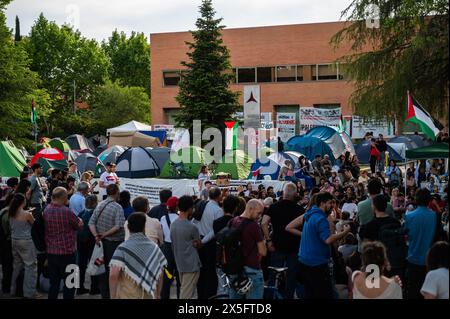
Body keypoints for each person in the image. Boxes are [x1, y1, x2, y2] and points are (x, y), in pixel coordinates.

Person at [298, 192, 351, 299]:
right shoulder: (320, 218)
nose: (332, 206)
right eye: (330, 203)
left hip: (305, 261)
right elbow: (328, 240)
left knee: (312, 294)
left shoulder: (310, 214)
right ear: (322, 203)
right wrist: (345, 232)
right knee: (326, 294)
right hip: (316, 263)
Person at [109, 213, 167, 299]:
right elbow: (160, 273)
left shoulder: (123, 248)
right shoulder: (154, 248)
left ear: (128, 227)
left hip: (127, 295)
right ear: (144, 227)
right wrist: (158, 294)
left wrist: (113, 296)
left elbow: (113, 274)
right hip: (148, 294)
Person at [262, 182, 304, 299]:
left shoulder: (274, 207)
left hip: (276, 245)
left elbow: (264, 223)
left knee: (273, 274)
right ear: (295, 194)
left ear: (283, 193)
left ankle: (270, 297)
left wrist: (269, 240)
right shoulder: (299, 209)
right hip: (294, 247)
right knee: (291, 276)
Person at [43, 187, 83, 299]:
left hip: (51, 252)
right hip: (68, 252)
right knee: (71, 283)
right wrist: (81, 221)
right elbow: (79, 225)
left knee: (54, 284)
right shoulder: (67, 212)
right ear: (63, 197)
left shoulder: (46, 210)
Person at [88, 184, 125, 299]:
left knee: (102, 269)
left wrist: (96, 236)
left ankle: (105, 295)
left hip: (100, 243)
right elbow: (118, 226)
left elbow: (91, 223)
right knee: (114, 271)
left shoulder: (100, 205)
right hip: (113, 243)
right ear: (117, 193)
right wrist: (104, 234)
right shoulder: (117, 207)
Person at [228, 199, 267, 299]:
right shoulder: (254, 226)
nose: (259, 216)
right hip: (252, 269)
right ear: (250, 209)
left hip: (235, 268)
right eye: (258, 213)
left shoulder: (233, 221)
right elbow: (263, 251)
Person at [404, 188, 438, 299]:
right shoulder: (435, 216)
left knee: (413, 290)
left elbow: (405, 235)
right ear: (429, 200)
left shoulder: (409, 216)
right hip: (430, 260)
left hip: (413, 258)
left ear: (416, 200)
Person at [193, 186, 223, 299]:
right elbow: (215, 231)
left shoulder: (201, 204)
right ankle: (209, 295)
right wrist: (203, 241)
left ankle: (201, 294)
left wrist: (198, 240)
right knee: (210, 271)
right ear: (219, 196)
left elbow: (194, 221)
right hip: (208, 243)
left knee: (202, 270)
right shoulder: (218, 210)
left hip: (200, 241)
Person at [170, 195, 202, 299]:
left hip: (180, 263)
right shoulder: (192, 227)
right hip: (191, 264)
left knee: (184, 290)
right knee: (186, 294)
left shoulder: (173, 224)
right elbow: (198, 244)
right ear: (189, 209)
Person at [8, 193, 38, 299]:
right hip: (26, 241)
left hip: (14, 240)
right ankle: (29, 293)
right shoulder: (27, 215)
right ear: (22, 202)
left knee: (17, 265)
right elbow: (34, 224)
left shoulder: (11, 212)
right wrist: (30, 213)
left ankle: (12, 289)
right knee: (31, 267)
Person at [213, 195, 239, 296]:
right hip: (234, 261)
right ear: (236, 208)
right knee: (234, 290)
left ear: (223, 207)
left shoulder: (216, 223)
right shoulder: (237, 223)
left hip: (220, 259)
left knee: (221, 288)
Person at [77, 195, 98, 295]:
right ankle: (94, 288)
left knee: (81, 265)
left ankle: (80, 287)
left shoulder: (81, 213)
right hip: (91, 242)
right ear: (94, 203)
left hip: (80, 242)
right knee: (94, 264)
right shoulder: (95, 214)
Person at [160, 196, 180, 299]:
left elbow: (162, 234)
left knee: (167, 276)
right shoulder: (179, 218)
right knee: (179, 277)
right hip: (178, 249)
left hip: (167, 249)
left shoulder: (163, 218)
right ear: (177, 207)